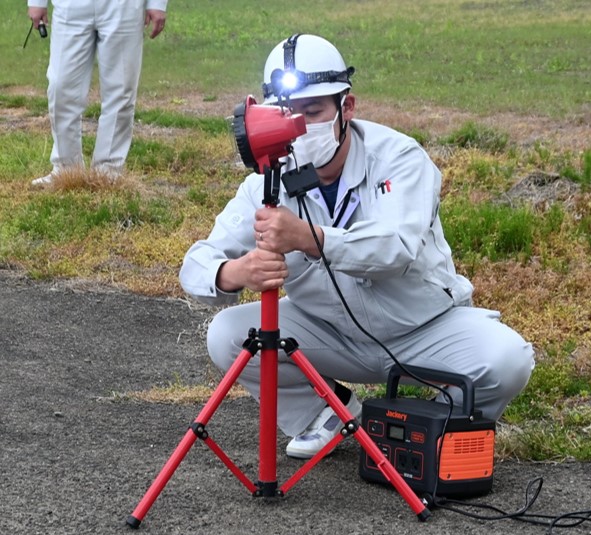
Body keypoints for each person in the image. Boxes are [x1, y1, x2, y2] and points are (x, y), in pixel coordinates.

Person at [179, 34, 535, 460]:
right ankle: (328, 418)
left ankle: (435, 428)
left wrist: (307, 238)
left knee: (508, 358)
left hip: (423, 328)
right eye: (288, 113)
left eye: (314, 112)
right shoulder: (266, 180)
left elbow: (395, 248)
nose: (300, 126)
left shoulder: (400, 158)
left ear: (347, 107)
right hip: (329, 334)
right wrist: (235, 273)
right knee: (227, 335)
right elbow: (196, 262)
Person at [27, 0, 168, 186]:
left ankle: (108, 171)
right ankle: (65, 167)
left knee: (121, 88)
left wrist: (157, 3)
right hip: (70, 6)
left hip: (124, 6)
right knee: (60, 85)